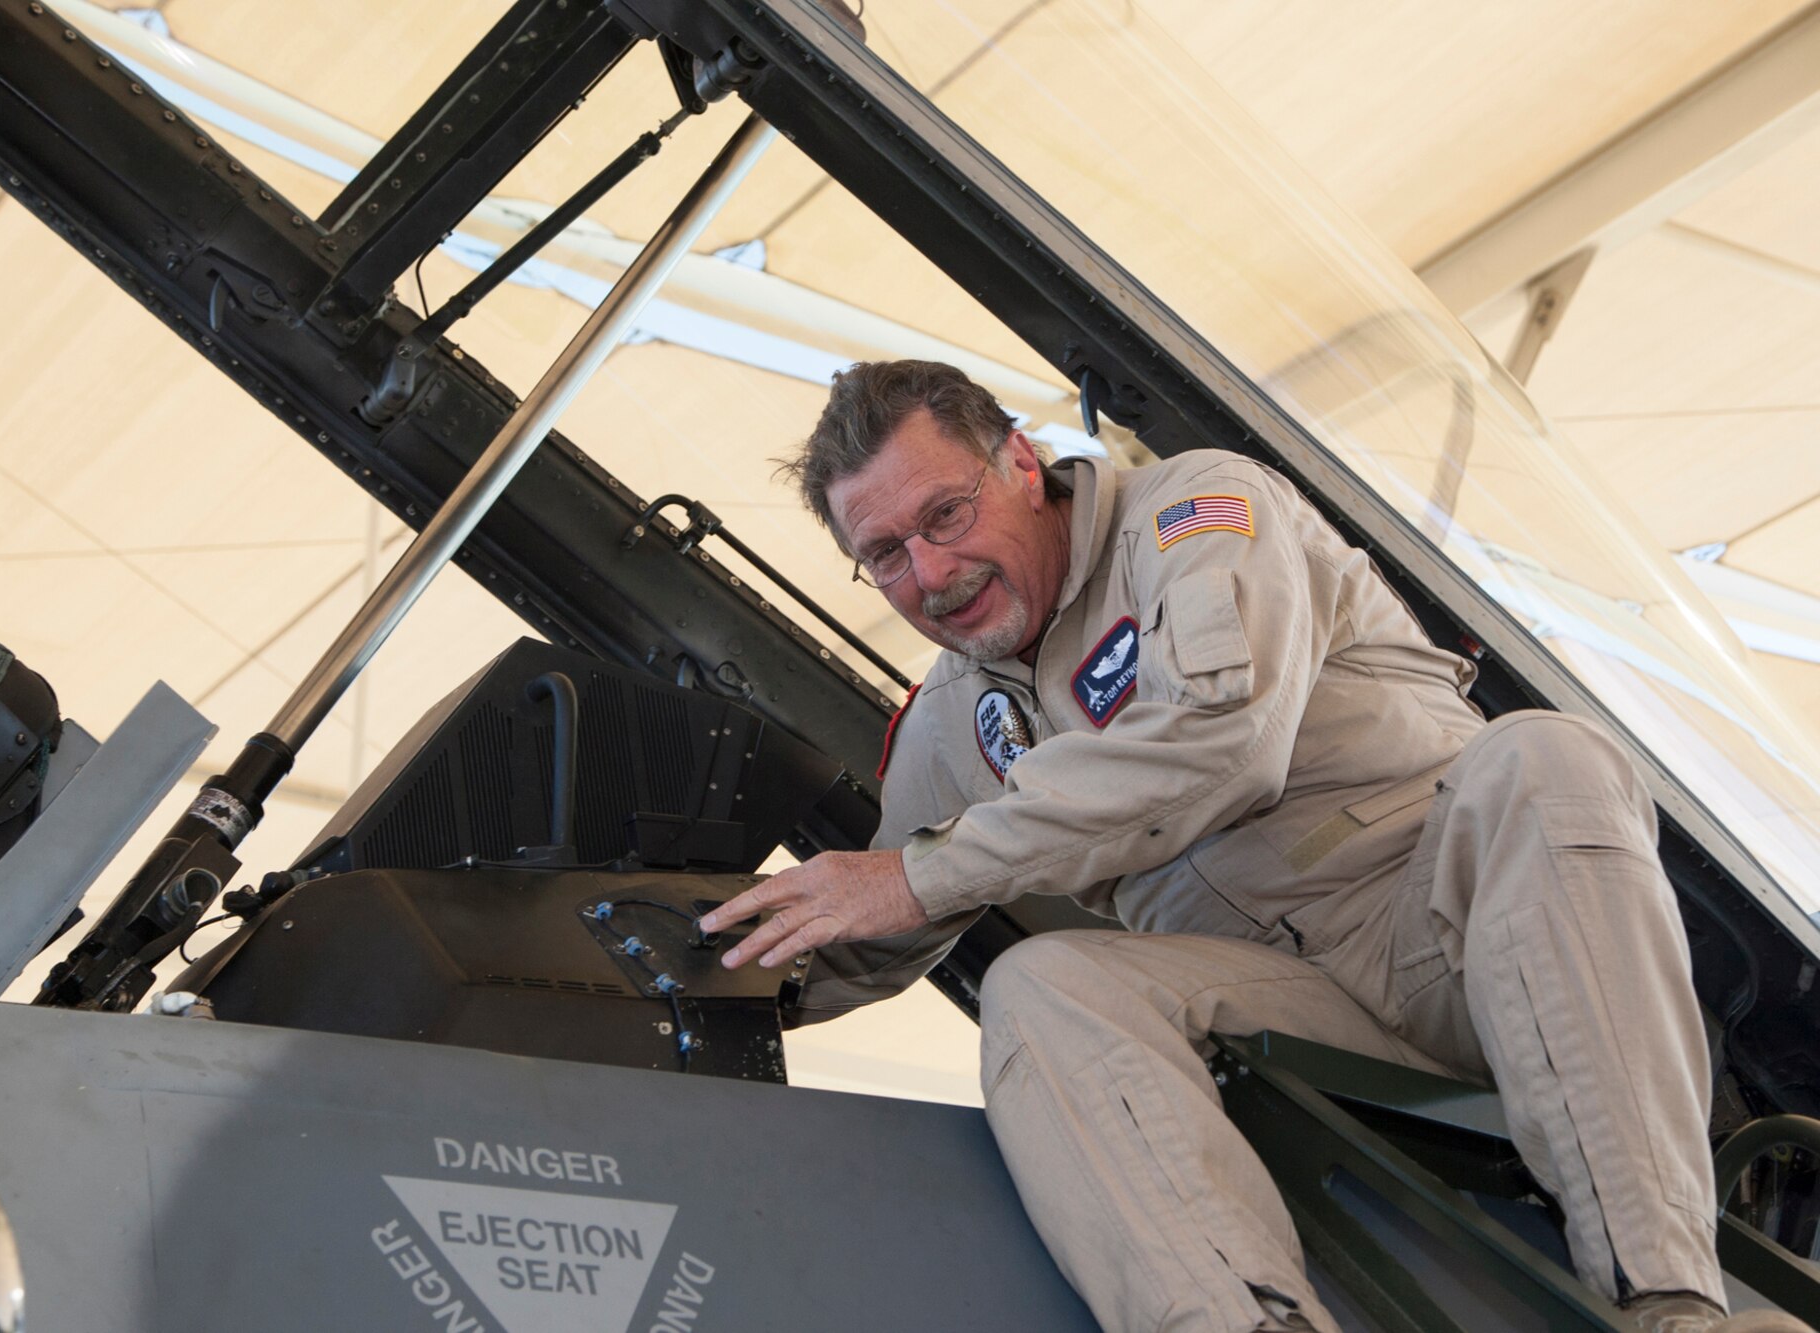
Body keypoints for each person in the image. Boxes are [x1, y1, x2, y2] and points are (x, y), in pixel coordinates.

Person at [698, 360, 1799, 1333]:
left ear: (1021, 462)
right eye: (883, 554)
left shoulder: (1193, 513)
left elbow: (1220, 742)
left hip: (1462, 933)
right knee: (1041, 985)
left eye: (945, 514)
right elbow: (862, 923)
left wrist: (919, 871)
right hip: (1287, 1004)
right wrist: (682, 967)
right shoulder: (949, 726)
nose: (929, 575)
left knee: (1543, 758)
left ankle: (1666, 1304)